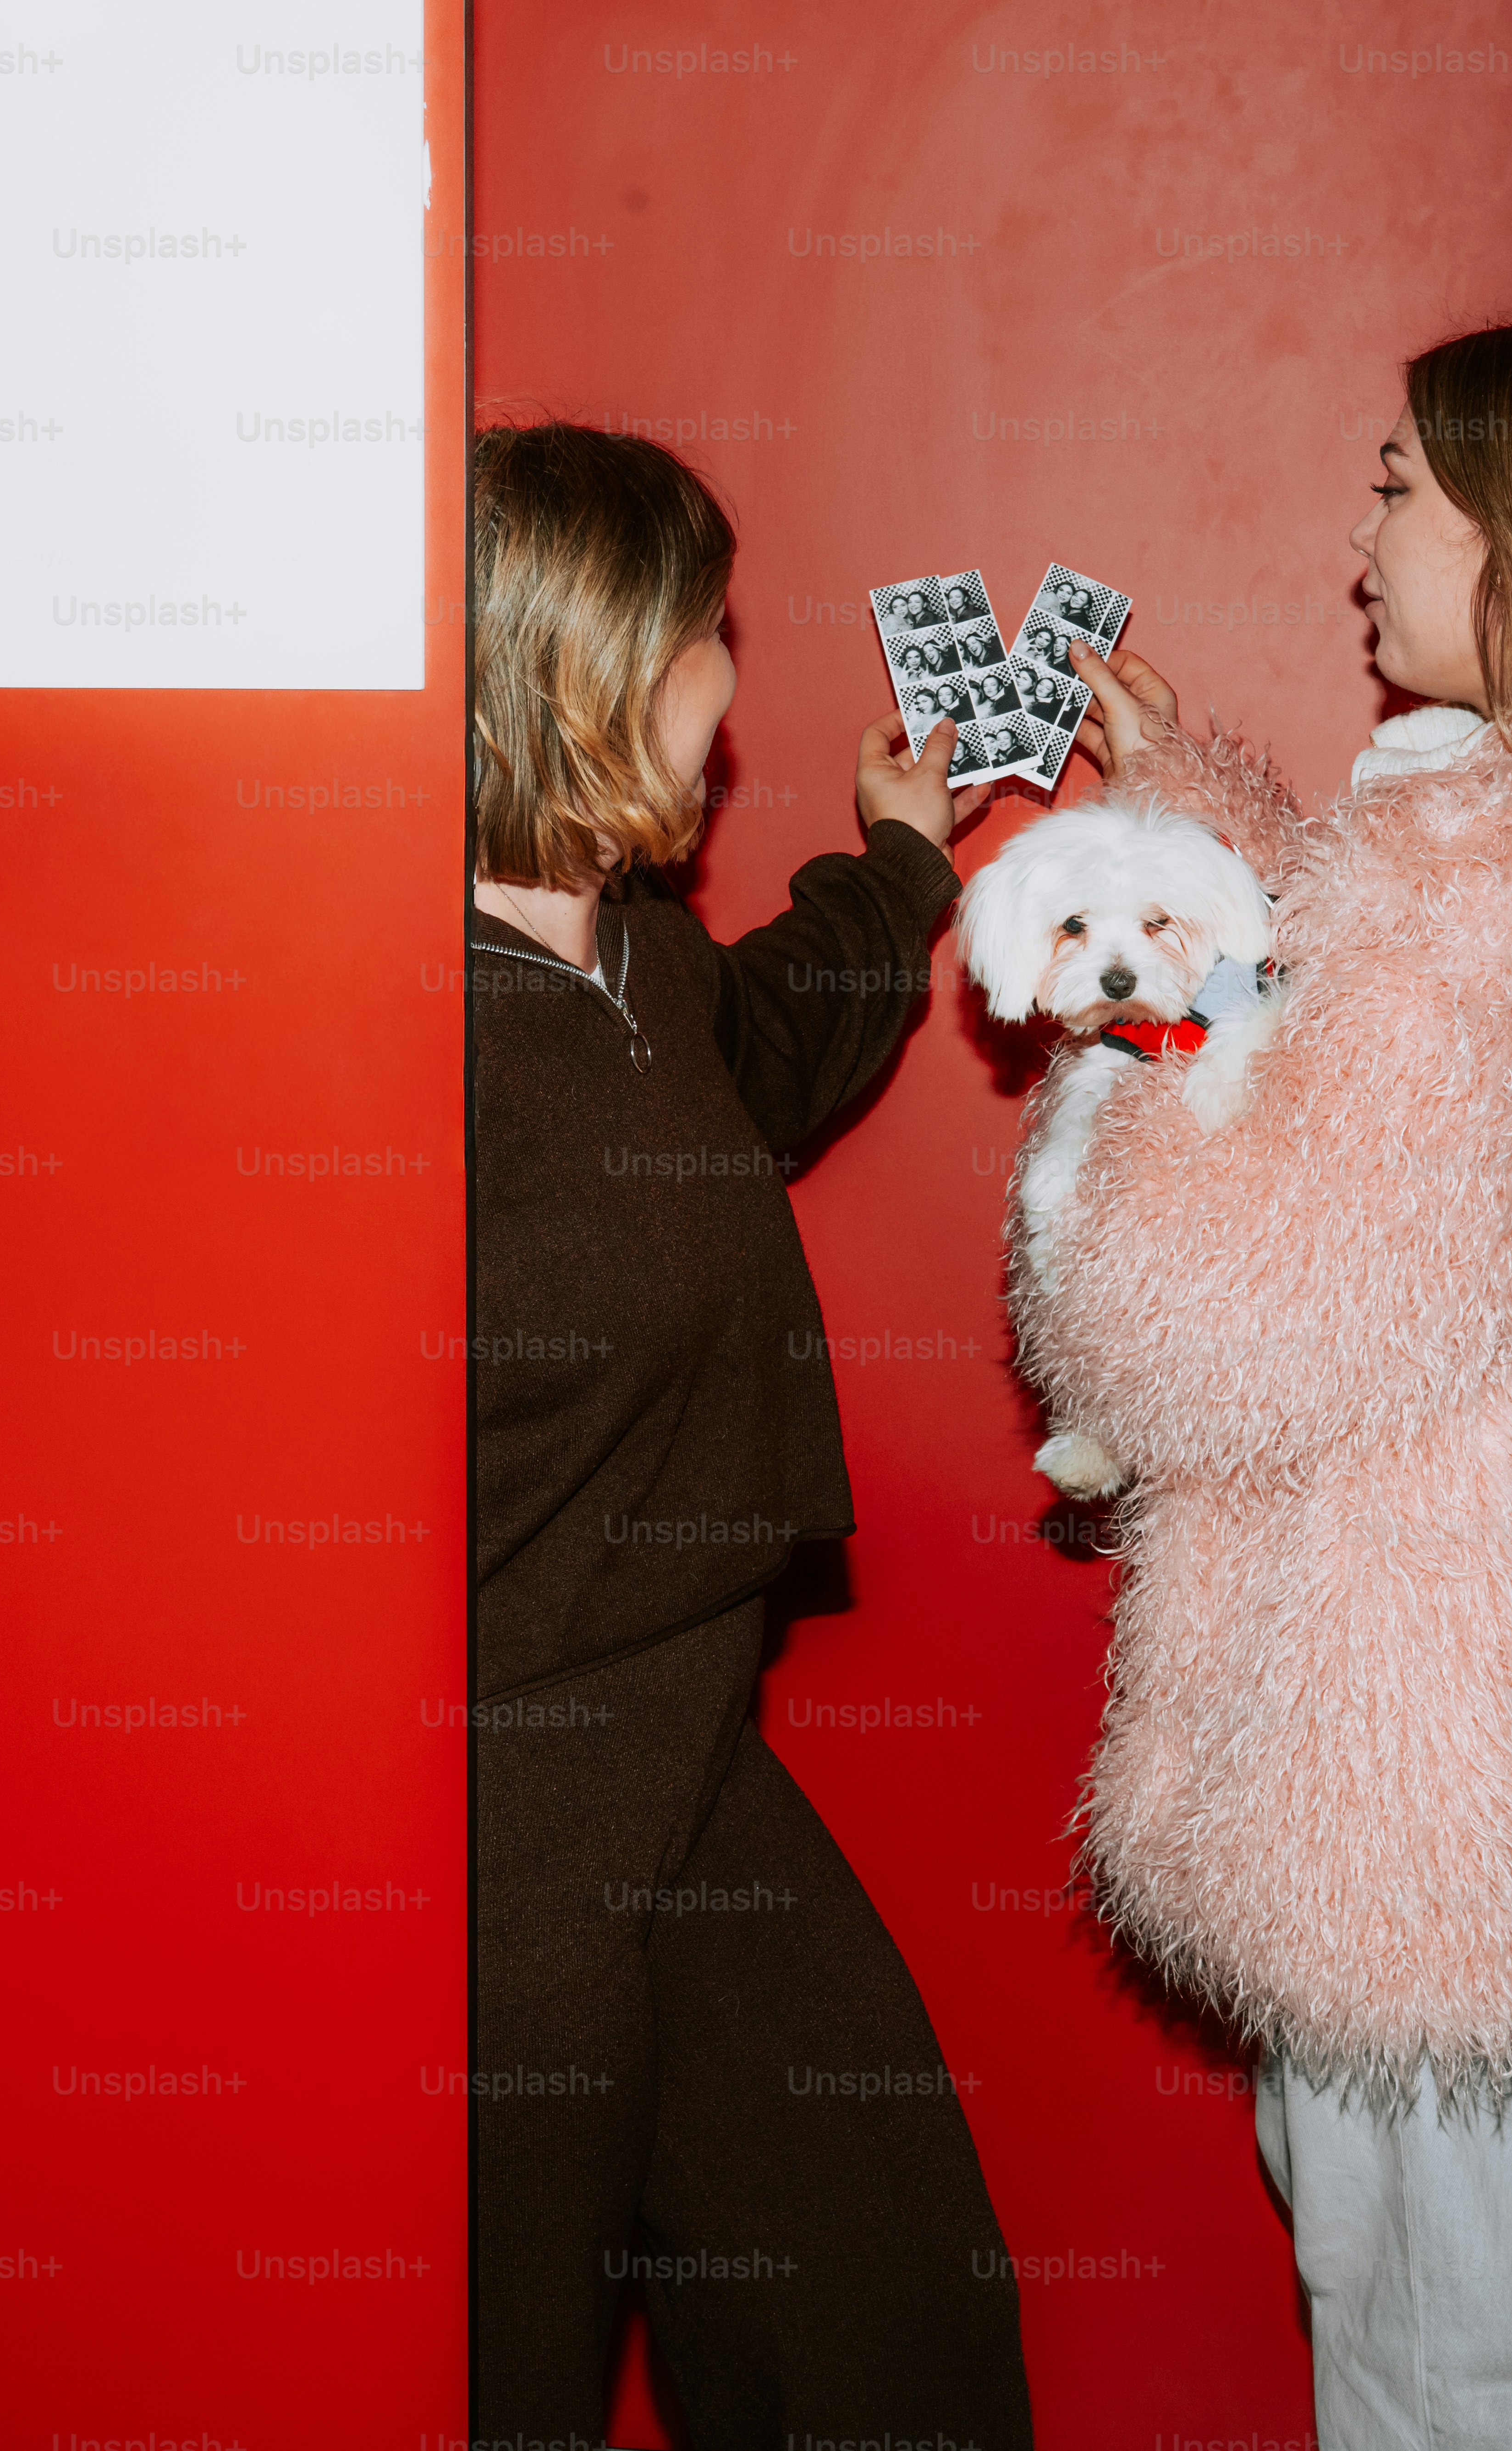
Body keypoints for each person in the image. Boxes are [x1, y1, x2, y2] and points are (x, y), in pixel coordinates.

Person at [1025, 319, 1512, 2447]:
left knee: (1446, 2316)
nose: (1358, 536)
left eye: (1396, 485)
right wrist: (1185, 793)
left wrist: (1095, 1185)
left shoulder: (1474, 884)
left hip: (1419, 1740)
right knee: (1409, 2276)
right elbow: (1318, 1025)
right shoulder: (1482, 836)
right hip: (1414, 1720)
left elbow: (1255, 1302)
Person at [463, 420, 1033, 2448]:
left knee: (887, 2327)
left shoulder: (638, 955)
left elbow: (775, 1030)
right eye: (706, 630)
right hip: (497, 1834)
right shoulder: (388, 1022)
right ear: (589, 667)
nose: (732, 675)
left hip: (696, 1762)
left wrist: (899, 855)